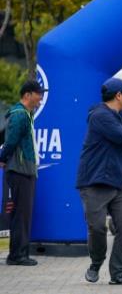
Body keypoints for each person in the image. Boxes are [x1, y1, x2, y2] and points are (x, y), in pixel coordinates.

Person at [76, 78, 122, 284]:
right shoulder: (100, 116)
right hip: (95, 182)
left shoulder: (121, 118)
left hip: (120, 183)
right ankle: (96, 262)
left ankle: (118, 273)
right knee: (97, 228)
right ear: (119, 95)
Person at [0, 80, 44, 266]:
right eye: (38, 94)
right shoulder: (19, 115)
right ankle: (17, 255)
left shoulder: (25, 114)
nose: (40, 98)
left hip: (24, 171)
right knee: (21, 213)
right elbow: (10, 142)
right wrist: (2, 157)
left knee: (23, 213)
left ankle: (19, 253)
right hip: (19, 171)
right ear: (28, 95)